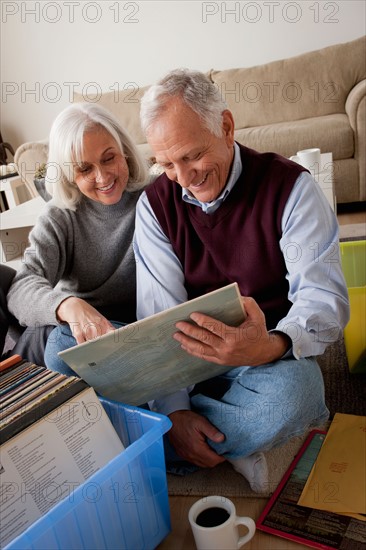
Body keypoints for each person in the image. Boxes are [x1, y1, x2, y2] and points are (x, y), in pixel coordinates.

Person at [133, 69, 350, 492]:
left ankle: (149, 441)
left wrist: (267, 346)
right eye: (166, 164)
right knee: (59, 348)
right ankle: (200, 435)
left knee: (299, 392)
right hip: (186, 362)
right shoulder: (155, 205)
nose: (183, 178)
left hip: (266, 364)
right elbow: (158, 320)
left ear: (226, 128)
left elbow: (324, 302)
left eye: (192, 155)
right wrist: (175, 411)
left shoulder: (292, 190)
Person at [6, 102, 148, 372]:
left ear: (125, 152)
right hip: (72, 331)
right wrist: (68, 306)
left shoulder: (154, 198)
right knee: (59, 347)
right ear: (70, 175)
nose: (103, 176)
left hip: (127, 333)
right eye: (85, 169)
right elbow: (21, 288)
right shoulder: (61, 216)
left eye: (109, 158)